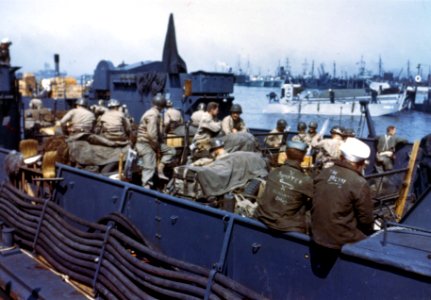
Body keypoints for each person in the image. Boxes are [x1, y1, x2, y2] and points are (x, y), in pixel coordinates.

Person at [310, 137, 374, 277]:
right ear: (361, 164)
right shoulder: (359, 182)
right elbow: (366, 221)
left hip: (316, 233)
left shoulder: (324, 173)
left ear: (340, 157)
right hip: (338, 240)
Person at [254, 140, 313, 233]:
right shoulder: (306, 181)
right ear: (303, 157)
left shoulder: (274, 172)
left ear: (286, 154)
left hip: (262, 217)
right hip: (286, 227)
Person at [136, 93, 176, 187]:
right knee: (149, 167)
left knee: (171, 151)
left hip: (150, 142)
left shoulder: (154, 113)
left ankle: (160, 168)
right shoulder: (153, 115)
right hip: (145, 143)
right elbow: (152, 134)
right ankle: (146, 187)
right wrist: (157, 147)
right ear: (162, 106)